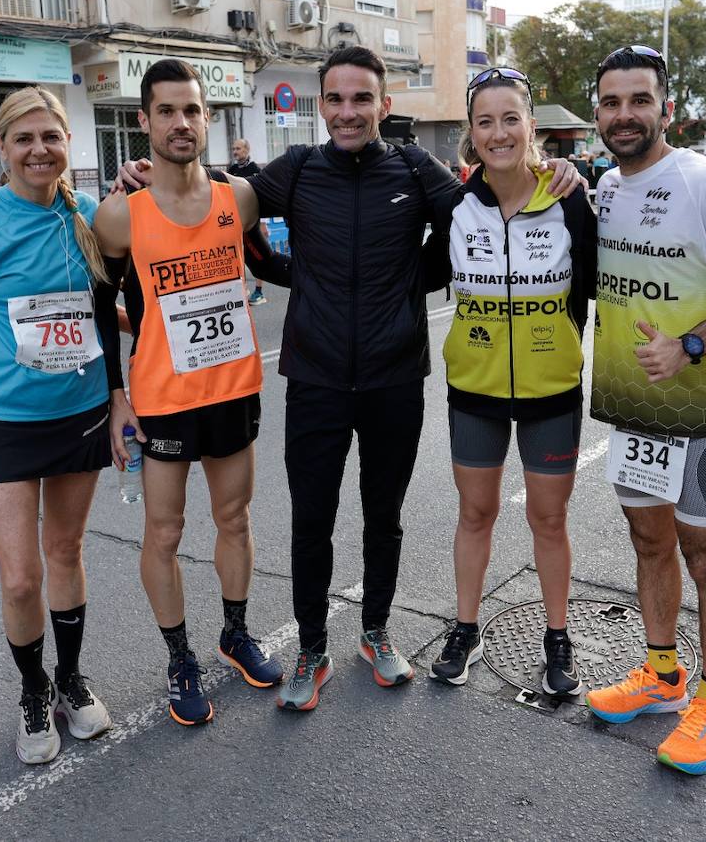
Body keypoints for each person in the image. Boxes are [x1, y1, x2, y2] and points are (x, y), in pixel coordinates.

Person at [119, 46, 583, 713]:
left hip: (395, 376)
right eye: (334, 99)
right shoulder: (300, 169)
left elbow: (480, 206)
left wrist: (553, 168)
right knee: (312, 520)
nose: (347, 111)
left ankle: (375, 631)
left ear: (383, 106)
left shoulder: (415, 168)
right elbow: (221, 198)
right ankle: (312, 646)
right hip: (315, 377)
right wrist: (147, 175)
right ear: (321, 107)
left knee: (383, 518)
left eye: (361, 99)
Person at [582, 44, 706, 776]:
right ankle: (663, 673)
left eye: (640, 100)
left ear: (666, 107)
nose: (625, 114)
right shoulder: (606, 187)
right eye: (612, 102)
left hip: (703, 413)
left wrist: (691, 344)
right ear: (598, 113)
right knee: (647, 542)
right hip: (632, 412)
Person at [94, 60, 291, 727]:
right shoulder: (121, 215)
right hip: (163, 397)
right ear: (144, 121)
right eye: (168, 111)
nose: (182, 122)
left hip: (232, 386)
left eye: (193, 110)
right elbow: (101, 303)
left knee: (235, 517)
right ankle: (180, 658)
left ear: (208, 118)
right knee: (165, 530)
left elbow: (269, 263)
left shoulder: (240, 197)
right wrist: (115, 391)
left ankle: (234, 632)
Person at [0, 86, 115, 765]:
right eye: (25, 139)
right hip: (4, 418)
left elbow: (105, 312)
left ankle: (70, 679)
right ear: (2, 149)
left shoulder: (91, 216)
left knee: (65, 553)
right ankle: (33, 687)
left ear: (69, 144)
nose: (40, 150)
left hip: (80, 411)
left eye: (52, 137)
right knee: (19, 578)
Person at [421, 68, 596, 693]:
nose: (499, 133)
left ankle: (557, 638)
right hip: (475, 390)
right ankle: (465, 629)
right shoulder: (455, 206)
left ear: (530, 126)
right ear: (471, 133)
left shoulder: (572, 198)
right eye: (485, 121)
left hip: (552, 390)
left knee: (549, 520)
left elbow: (590, 292)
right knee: (476, 511)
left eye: (510, 119)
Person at [227, 139, 269, 306]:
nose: (235, 151)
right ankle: (243, 288)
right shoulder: (232, 170)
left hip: (253, 222)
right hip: (235, 222)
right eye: (233, 148)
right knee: (238, 257)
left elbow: (262, 197)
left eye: (238, 148)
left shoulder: (255, 170)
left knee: (258, 256)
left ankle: (259, 292)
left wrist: (263, 223)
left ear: (246, 149)